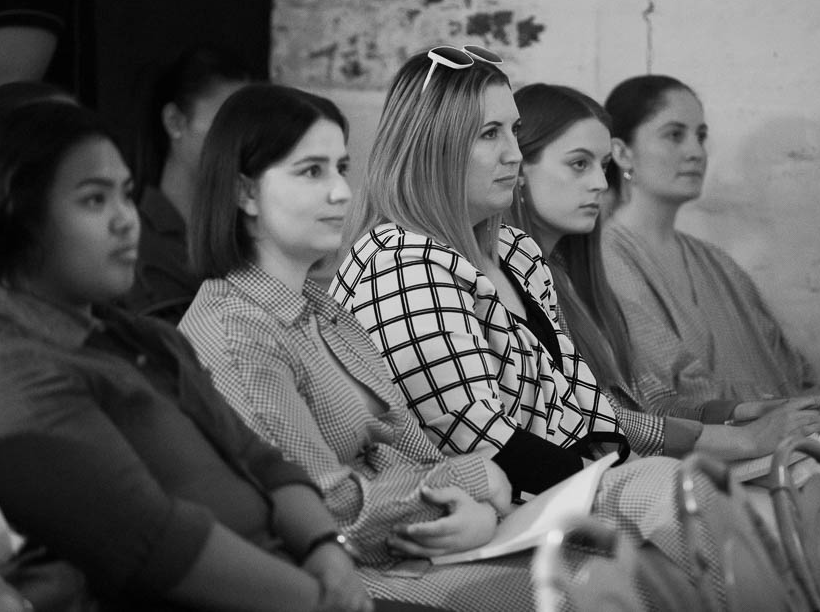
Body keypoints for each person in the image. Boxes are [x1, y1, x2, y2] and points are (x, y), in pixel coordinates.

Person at [330, 47, 773, 606]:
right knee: (675, 495)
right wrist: (626, 471)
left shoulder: (515, 251)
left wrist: (643, 455)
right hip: (485, 503)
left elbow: (582, 404)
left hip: (558, 480)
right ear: (434, 146)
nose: (513, 154)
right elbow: (485, 446)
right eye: (488, 134)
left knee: (775, 483)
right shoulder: (401, 262)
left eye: (513, 131)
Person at [179, 83, 593, 611]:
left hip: (409, 550)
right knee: (584, 588)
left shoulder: (320, 309)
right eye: (312, 172)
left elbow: (415, 451)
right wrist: (474, 486)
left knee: (607, 572)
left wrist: (477, 503)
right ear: (245, 193)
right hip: (330, 582)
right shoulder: (238, 333)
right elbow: (322, 507)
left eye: (341, 168)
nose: (341, 192)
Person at [0, 99, 385, 611]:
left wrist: (326, 548)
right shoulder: (9, 366)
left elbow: (262, 461)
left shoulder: (147, 337)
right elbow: (154, 544)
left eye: (126, 195)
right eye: (94, 200)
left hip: (304, 571)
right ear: (16, 215)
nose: (126, 220)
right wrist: (318, 600)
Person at [599, 74, 820, 563]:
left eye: (701, 136)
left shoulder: (714, 260)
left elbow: (789, 368)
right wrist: (759, 417)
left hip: (759, 427)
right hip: (696, 444)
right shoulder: (606, 256)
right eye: (674, 135)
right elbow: (660, 394)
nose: (695, 151)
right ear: (622, 153)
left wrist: (804, 406)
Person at [506, 82, 820, 465]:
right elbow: (593, 417)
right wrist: (742, 435)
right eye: (579, 164)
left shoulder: (576, 273)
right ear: (519, 169)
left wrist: (742, 411)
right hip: (616, 471)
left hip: (660, 453)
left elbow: (653, 396)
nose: (599, 182)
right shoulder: (534, 275)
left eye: (601, 165)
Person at [123, 46, 250, 321]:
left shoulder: (247, 235)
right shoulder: (136, 242)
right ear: (175, 122)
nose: (242, 142)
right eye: (226, 125)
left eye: (249, 127)